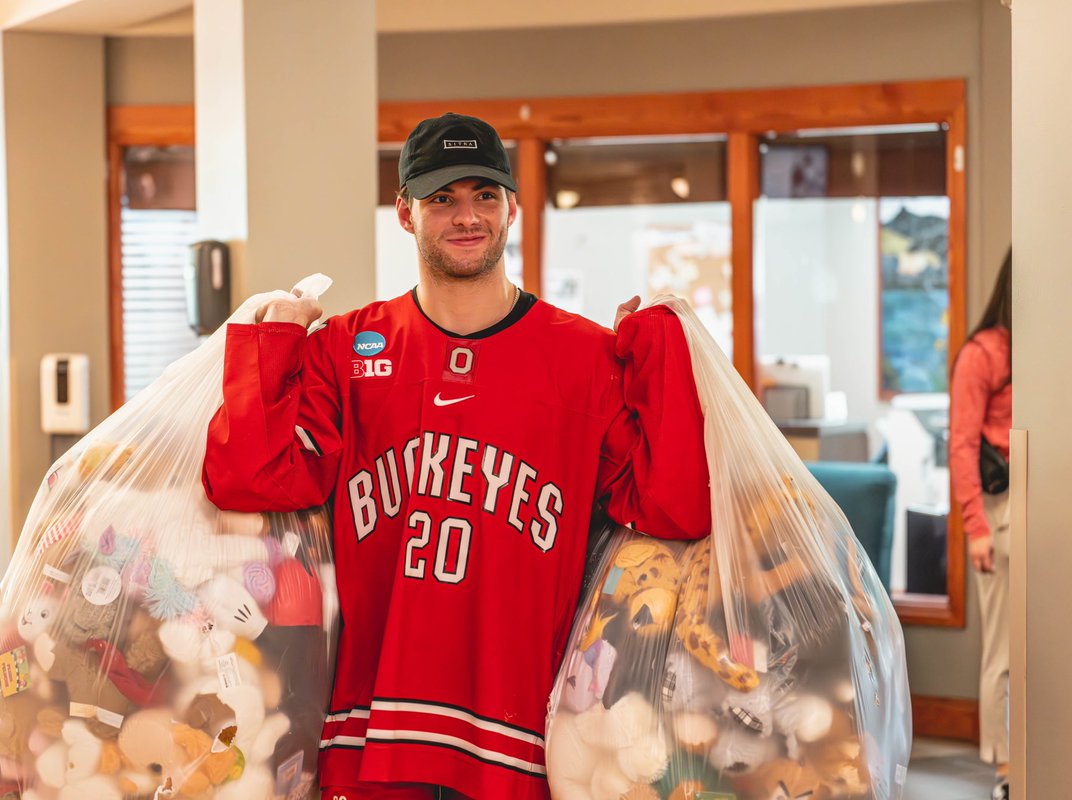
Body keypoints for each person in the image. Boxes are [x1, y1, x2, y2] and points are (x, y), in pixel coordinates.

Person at [202, 112, 711, 800]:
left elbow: (674, 506)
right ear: (405, 213)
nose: (466, 216)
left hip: (517, 739)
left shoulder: (587, 357)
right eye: (442, 198)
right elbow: (248, 480)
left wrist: (658, 354)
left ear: (511, 207)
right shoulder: (348, 349)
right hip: (372, 733)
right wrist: (274, 349)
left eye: (484, 195)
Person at [950, 248, 1012, 800]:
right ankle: (1006, 771)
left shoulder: (1042, 349)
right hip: (1002, 510)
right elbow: (963, 444)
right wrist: (977, 527)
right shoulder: (984, 353)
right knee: (1005, 649)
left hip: (1041, 508)